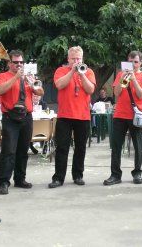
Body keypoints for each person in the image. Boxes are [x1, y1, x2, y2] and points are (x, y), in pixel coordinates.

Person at [0, 50, 44, 195]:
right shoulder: (2, 76)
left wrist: (31, 82)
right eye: (16, 62)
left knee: (23, 150)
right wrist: (16, 77)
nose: (19, 65)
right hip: (10, 117)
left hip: (26, 116)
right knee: (8, 151)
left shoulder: (28, 77)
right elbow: (0, 91)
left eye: (21, 62)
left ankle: (20, 179)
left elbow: (40, 92)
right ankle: (4, 182)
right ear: (9, 63)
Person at [48, 46, 96, 188]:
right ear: (68, 59)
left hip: (83, 116)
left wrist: (81, 74)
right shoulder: (61, 71)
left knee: (80, 148)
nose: (76, 61)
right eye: (73, 59)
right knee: (62, 148)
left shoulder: (89, 72)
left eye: (79, 59)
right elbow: (59, 85)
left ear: (82, 59)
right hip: (65, 116)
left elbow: (91, 89)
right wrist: (72, 71)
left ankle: (78, 175)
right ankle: (58, 178)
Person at [103, 50, 142, 186]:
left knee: (138, 146)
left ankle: (137, 173)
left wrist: (134, 80)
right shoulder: (120, 74)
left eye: (135, 62)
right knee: (116, 146)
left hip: (136, 115)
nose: (133, 64)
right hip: (120, 115)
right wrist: (123, 78)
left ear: (141, 62)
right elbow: (116, 93)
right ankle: (115, 175)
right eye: (130, 62)